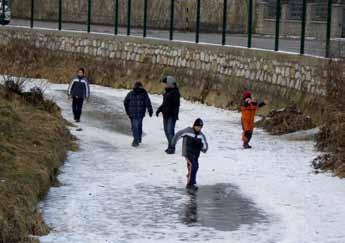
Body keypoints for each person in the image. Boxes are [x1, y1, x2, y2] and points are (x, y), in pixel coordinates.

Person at [167, 118, 208, 191]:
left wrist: (203, 148)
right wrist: (172, 145)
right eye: (197, 126)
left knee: (195, 166)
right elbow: (178, 135)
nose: (198, 128)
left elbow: (205, 145)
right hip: (187, 152)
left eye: (200, 127)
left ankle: (191, 177)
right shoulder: (188, 131)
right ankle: (190, 184)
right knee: (193, 166)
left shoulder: (201, 135)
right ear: (194, 125)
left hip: (195, 154)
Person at [156, 76, 181, 153]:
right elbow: (164, 104)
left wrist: (174, 115)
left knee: (170, 131)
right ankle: (170, 145)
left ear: (169, 83)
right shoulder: (167, 92)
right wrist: (159, 109)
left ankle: (172, 147)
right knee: (166, 131)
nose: (164, 85)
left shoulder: (175, 93)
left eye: (165, 83)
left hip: (171, 116)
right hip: (165, 115)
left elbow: (176, 105)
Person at [124, 81, 153, 147]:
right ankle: (138, 139)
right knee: (137, 126)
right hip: (136, 113)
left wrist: (127, 111)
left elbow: (147, 102)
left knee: (135, 127)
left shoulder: (138, 93)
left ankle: (136, 141)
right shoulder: (134, 93)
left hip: (136, 113)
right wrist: (150, 110)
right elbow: (125, 102)